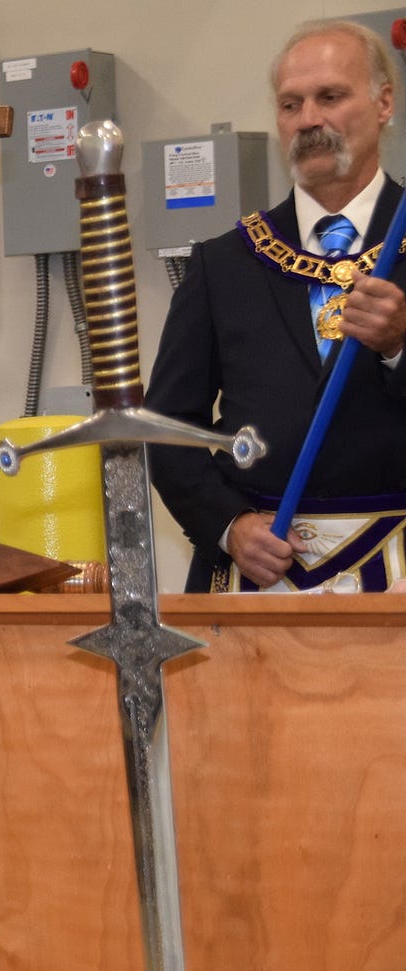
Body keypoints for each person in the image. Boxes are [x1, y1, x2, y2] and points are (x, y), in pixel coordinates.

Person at [146, 18, 406, 593]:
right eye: (291, 104)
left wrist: (400, 348)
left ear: (384, 103)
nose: (309, 120)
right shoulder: (224, 262)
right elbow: (167, 430)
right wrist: (229, 526)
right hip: (259, 576)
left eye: (330, 97)